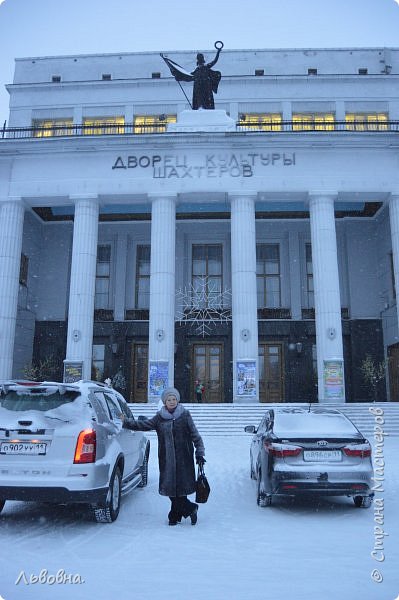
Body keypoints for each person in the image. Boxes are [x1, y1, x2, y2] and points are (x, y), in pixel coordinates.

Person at [121, 387, 206, 526]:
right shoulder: (159, 418)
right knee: (172, 491)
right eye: (169, 400)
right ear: (164, 402)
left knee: (181, 489)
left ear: (177, 401)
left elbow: (195, 436)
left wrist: (200, 453)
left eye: (174, 399)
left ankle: (174, 516)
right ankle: (190, 508)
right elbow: (144, 425)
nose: (172, 402)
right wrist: (127, 422)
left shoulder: (185, 415)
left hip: (184, 459)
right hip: (167, 460)